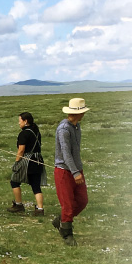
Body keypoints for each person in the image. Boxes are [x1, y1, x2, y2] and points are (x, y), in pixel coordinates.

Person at [53, 98, 90, 246]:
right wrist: (75, 173)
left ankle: (61, 220)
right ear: (78, 113)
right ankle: (67, 234)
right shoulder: (64, 130)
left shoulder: (76, 127)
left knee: (82, 200)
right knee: (67, 204)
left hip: (75, 168)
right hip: (64, 171)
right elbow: (66, 153)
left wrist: (77, 170)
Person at [7, 112, 46, 216]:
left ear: (25, 121)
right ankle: (40, 209)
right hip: (38, 160)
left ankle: (19, 205)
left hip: (28, 161)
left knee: (14, 181)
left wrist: (16, 162)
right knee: (36, 186)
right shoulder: (36, 131)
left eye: (19, 121)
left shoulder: (24, 134)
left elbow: (21, 150)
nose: (18, 123)